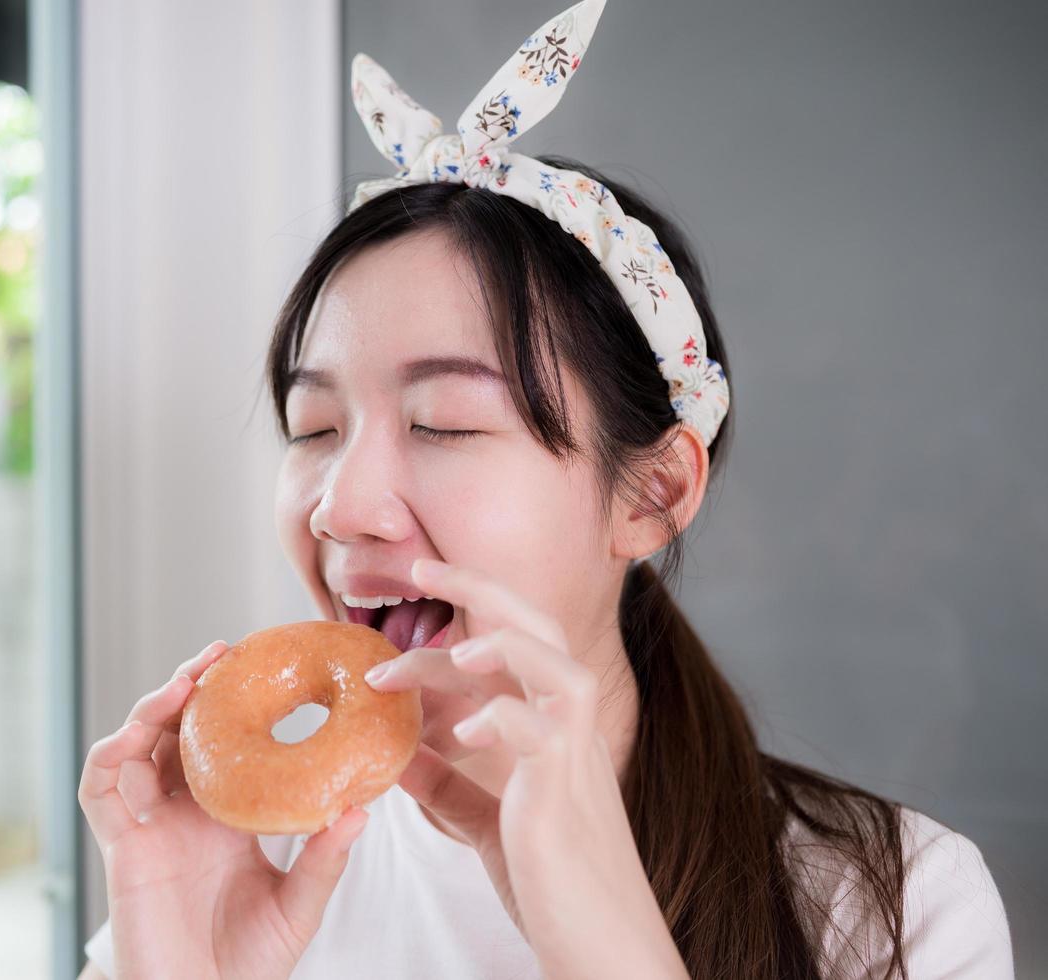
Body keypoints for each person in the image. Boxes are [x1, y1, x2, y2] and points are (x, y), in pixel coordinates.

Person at [76, 3, 1015, 976]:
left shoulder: (896, 905)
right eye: (314, 428)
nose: (338, 505)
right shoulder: (223, 874)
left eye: (442, 421)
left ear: (650, 493)